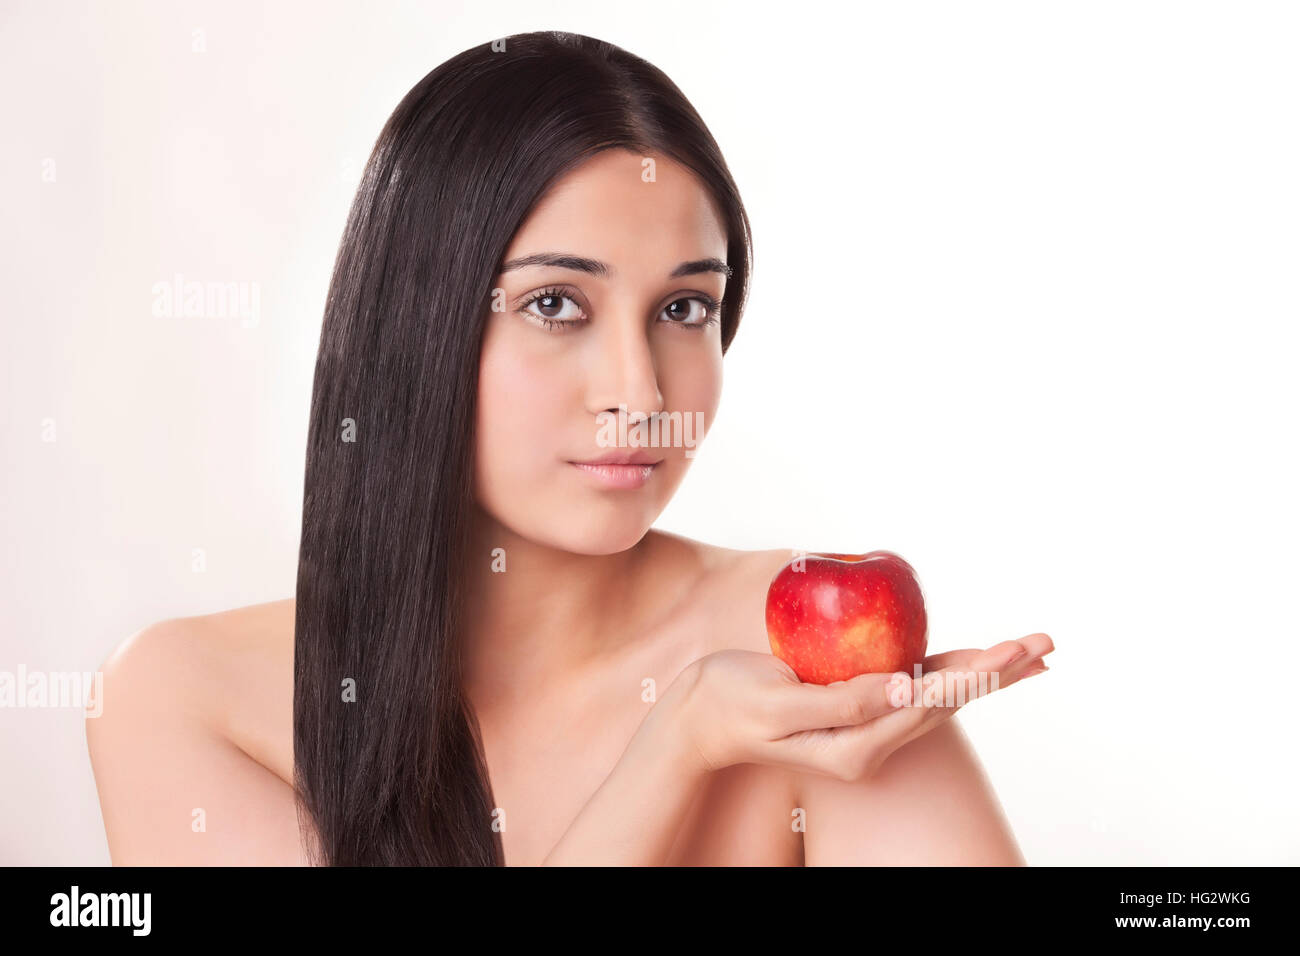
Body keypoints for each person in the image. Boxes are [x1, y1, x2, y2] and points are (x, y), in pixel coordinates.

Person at [86, 30, 1054, 866]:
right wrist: (678, 743)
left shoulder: (817, 684)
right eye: (556, 304)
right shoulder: (184, 699)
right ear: (415, 326)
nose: (638, 392)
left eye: (684, 308)